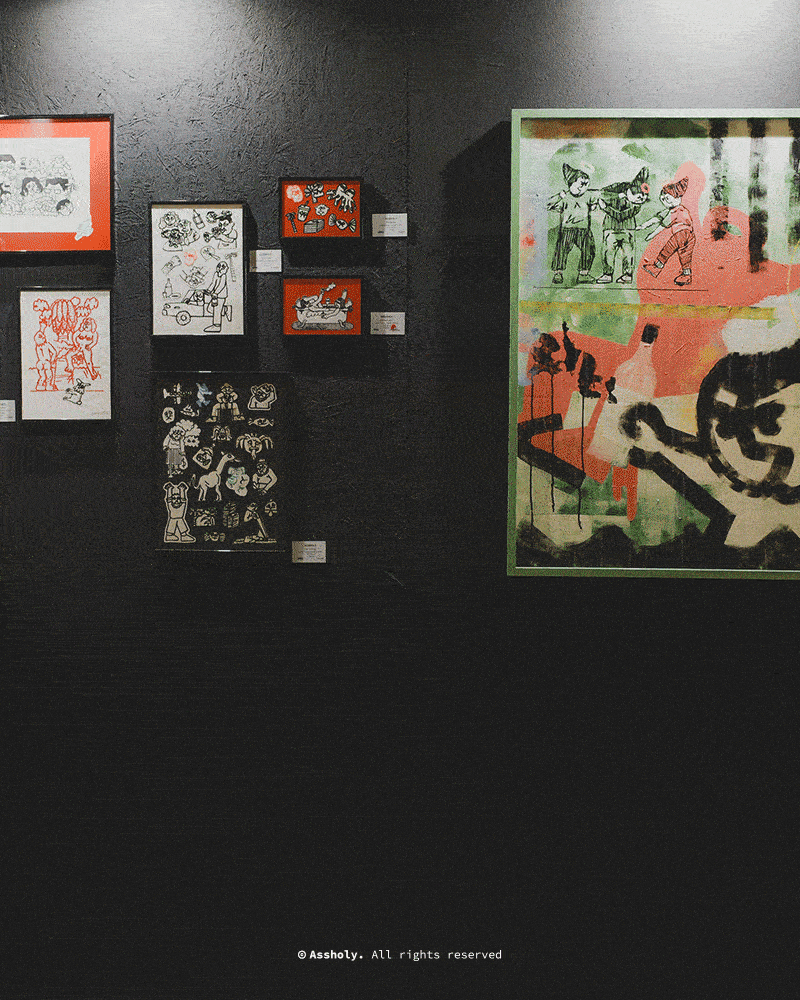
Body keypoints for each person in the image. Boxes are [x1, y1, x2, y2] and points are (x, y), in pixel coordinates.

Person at [547, 163, 600, 284]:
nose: (582, 188)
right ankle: (558, 273)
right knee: (561, 250)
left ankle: (583, 274)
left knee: (589, 249)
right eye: (580, 184)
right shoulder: (565, 197)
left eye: (586, 185)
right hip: (567, 229)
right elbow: (548, 205)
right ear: (571, 183)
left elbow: (595, 203)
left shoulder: (588, 195)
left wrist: (593, 206)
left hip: (584, 229)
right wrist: (559, 196)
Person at [595, 167, 649, 284]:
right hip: (610, 228)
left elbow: (620, 216)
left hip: (627, 229)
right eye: (639, 197)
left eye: (644, 199)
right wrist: (617, 196)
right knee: (608, 251)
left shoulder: (636, 205)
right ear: (629, 191)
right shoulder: (618, 189)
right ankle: (607, 274)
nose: (641, 201)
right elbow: (601, 194)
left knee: (628, 253)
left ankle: (627, 275)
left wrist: (606, 208)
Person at [639, 177, 695, 285]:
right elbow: (658, 218)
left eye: (667, 198)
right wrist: (644, 225)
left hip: (682, 234)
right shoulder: (675, 209)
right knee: (685, 257)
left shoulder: (676, 211)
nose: (664, 201)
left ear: (678, 198)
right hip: (689, 236)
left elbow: (662, 225)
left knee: (667, 250)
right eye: (662, 198)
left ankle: (656, 268)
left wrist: (651, 235)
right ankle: (686, 275)